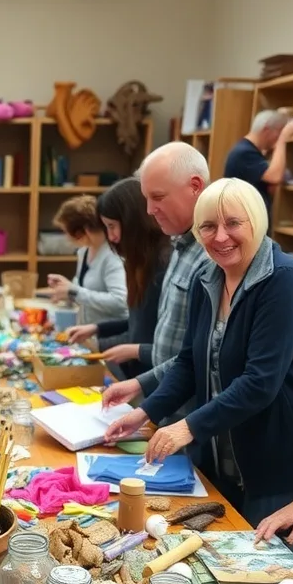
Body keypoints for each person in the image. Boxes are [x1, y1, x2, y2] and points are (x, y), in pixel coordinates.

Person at [105, 178, 293, 529]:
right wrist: (147, 410)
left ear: (256, 222)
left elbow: (260, 382)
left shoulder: (284, 280)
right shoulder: (207, 277)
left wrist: (188, 427)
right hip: (217, 456)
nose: (220, 236)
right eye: (208, 226)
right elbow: (189, 361)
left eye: (233, 223)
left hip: (272, 466)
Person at [101, 142, 210, 413]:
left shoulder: (211, 256)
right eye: (146, 199)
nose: (149, 210)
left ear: (195, 186)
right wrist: (142, 389)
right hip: (165, 401)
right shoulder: (180, 247)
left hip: (186, 413)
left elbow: (204, 357)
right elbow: (176, 350)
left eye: (158, 197)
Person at [65, 178, 171, 379]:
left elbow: (171, 348)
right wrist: (97, 328)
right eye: (107, 228)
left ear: (133, 220)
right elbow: (136, 323)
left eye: (113, 226)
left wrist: (133, 350)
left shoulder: (163, 267)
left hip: (154, 381)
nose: (111, 237)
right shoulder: (138, 263)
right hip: (137, 376)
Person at [44, 195, 128, 326]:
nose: (66, 238)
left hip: (109, 334)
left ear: (84, 230)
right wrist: (65, 288)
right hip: (88, 332)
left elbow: (120, 301)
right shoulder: (84, 251)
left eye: (67, 232)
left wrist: (73, 291)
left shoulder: (112, 257)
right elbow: (84, 291)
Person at [224, 111, 293, 226]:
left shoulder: (251, 151)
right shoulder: (244, 152)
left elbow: (271, 187)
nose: (277, 138)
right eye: (278, 133)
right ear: (266, 129)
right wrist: (283, 138)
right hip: (244, 223)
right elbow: (275, 177)